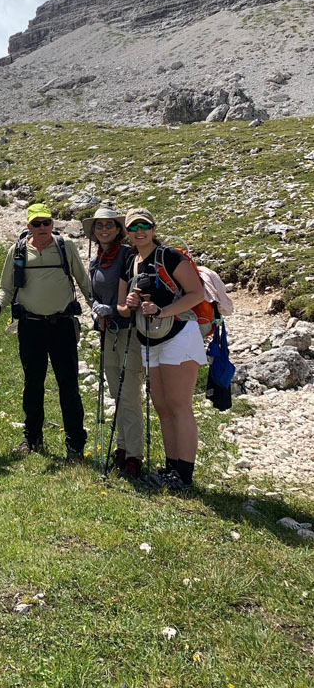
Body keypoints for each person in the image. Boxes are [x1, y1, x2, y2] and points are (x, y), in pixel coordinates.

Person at [0, 203, 91, 460]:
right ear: (28, 225)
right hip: (30, 326)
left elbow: (83, 280)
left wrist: (98, 310)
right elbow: (6, 288)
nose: (42, 227)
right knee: (33, 383)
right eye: (37, 223)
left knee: (68, 384)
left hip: (63, 324)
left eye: (46, 222)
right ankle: (32, 439)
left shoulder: (65, 247)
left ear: (52, 224)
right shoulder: (17, 250)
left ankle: (75, 444)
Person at [117, 208, 206, 492]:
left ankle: (185, 475)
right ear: (128, 233)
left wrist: (164, 310)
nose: (139, 231)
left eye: (145, 226)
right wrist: (129, 305)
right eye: (133, 227)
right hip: (150, 338)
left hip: (179, 334)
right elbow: (121, 307)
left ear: (154, 229)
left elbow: (196, 294)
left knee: (179, 405)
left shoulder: (170, 257)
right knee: (162, 406)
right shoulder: (130, 261)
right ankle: (171, 469)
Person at [82, 207, 143, 478]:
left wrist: (111, 309)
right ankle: (122, 447)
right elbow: (95, 294)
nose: (104, 229)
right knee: (117, 393)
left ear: (118, 229)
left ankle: (133, 456)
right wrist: (97, 308)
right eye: (99, 226)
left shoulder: (128, 256)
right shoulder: (98, 258)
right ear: (94, 231)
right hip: (109, 332)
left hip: (129, 333)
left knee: (128, 395)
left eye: (109, 225)